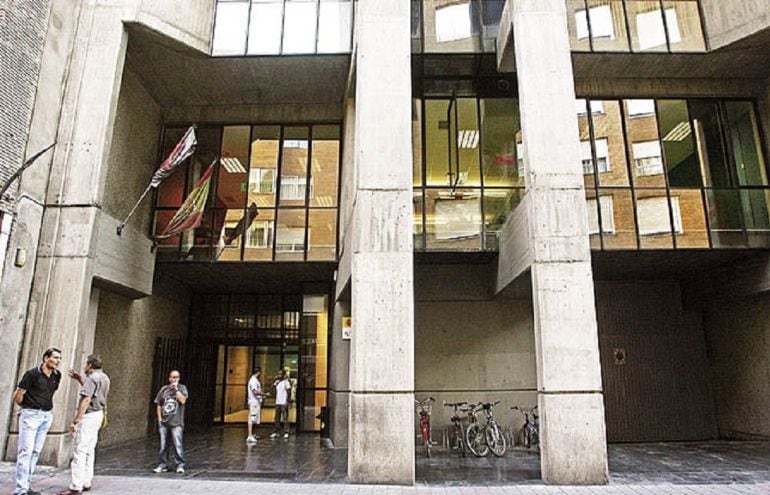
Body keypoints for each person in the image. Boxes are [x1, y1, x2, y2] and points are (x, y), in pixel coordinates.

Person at [57, 355, 111, 495]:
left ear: (90, 365)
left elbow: (86, 399)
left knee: (80, 449)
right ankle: (86, 480)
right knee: (89, 449)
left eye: (85, 364)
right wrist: (80, 378)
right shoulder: (104, 377)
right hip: (98, 414)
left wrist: (75, 420)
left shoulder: (92, 378)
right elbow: (96, 393)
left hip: (88, 415)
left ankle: (76, 485)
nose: (84, 366)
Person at [13, 347, 62, 495]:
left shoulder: (57, 375)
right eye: (55, 357)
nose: (57, 361)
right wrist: (27, 408)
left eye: (59, 358)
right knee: (25, 451)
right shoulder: (32, 374)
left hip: (46, 416)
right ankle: (20, 490)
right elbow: (18, 394)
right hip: (31, 415)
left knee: (35, 451)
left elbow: (51, 393)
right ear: (46, 358)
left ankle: (26, 486)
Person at [153, 370, 188, 474]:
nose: (174, 379)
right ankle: (163, 464)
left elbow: (183, 401)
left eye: (177, 377)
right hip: (164, 422)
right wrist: (159, 418)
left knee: (178, 444)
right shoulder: (164, 389)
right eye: (173, 377)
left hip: (176, 422)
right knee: (163, 445)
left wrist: (176, 390)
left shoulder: (182, 388)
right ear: (169, 378)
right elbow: (159, 403)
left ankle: (180, 465)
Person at [246, 367, 269, 443]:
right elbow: (255, 392)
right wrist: (264, 394)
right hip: (254, 402)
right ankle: (250, 435)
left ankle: (252, 434)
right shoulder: (253, 381)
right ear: (258, 372)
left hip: (256, 401)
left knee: (254, 417)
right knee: (252, 418)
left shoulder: (255, 380)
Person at [269, 369, 292, 439]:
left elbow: (289, 391)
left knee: (285, 417)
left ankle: (286, 431)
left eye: (280, 374)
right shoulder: (277, 382)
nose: (279, 375)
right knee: (276, 417)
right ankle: (276, 430)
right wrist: (275, 381)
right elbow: (271, 387)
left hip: (283, 402)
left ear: (283, 375)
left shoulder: (286, 382)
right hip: (278, 402)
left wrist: (287, 401)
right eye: (278, 374)